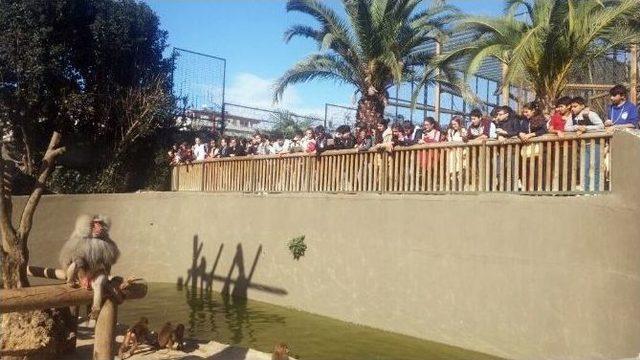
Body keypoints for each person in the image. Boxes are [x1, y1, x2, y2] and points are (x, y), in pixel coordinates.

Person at [567, 96, 605, 191]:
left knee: (595, 167)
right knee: (585, 168)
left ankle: (596, 189)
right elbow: (566, 127)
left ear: (582, 106)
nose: (572, 109)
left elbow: (601, 125)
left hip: (595, 144)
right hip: (583, 146)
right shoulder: (572, 116)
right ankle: (586, 189)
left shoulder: (590, 114)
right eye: (571, 107)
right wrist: (577, 127)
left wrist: (586, 128)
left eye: (575, 106)